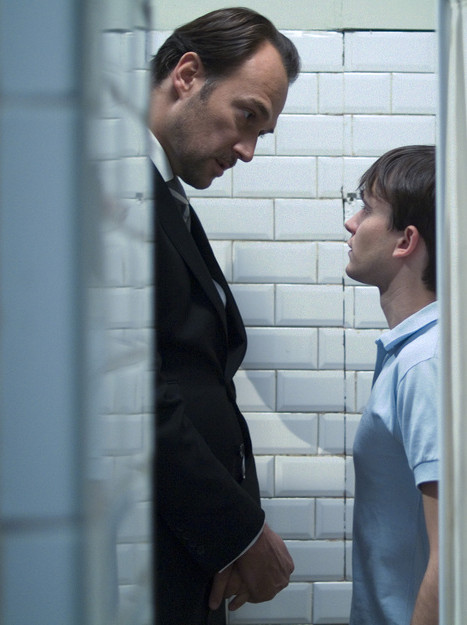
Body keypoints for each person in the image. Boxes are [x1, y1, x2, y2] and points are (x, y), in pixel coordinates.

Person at [146, 8, 300, 624]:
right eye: (247, 116)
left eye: (262, 132)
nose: (249, 150)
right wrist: (238, 531)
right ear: (187, 75)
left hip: (181, 558)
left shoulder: (164, 198)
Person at [345, 145, 440, 625]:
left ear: (406, 240)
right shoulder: (415, 354)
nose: (351, 223)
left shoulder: (426, 363)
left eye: (366, 208)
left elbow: (454, 557)